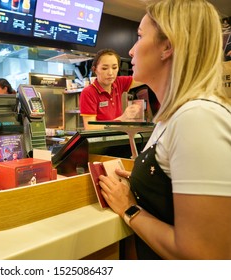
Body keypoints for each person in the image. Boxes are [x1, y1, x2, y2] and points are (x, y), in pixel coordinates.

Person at [98, 0, 231, 259]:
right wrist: (143, 181)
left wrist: (130, 209)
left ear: (167, 46)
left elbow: (204, 255)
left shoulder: (198, 117)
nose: (131, 50)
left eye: (139, 36)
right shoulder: (174, 116)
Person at [79, 49, 143, 130]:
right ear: (95, 70)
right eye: (105, 68)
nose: (110, 73)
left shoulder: (119, 82)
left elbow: (145, 78)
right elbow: (90, 127)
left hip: (116, 138)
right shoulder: (88, 92)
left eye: (114, 67)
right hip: (99, 140)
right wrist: (121, 120)